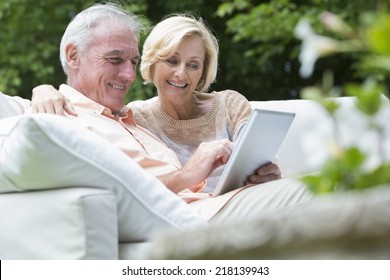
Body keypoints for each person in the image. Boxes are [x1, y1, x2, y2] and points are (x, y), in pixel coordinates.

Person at [5, 2, 313, 222]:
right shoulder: (60, 115)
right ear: (74, 56)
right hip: (193, 217)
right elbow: (123, 192)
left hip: (211, 205)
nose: (127, 75)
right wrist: (41, 91)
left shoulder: (128, 117)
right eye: (115, 60)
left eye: (132, 62)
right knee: (328, 189)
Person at [32, 14, 280, 193]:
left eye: (193, 65)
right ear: (152, 63)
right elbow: (81, 100)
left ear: (204, 70)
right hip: (212, 210)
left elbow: (259, 157)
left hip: (243, 198)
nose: (182, 74)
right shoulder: (135, 116)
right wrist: (43, 89)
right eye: (172, 61)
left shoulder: (129, 120)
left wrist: (268, 172)